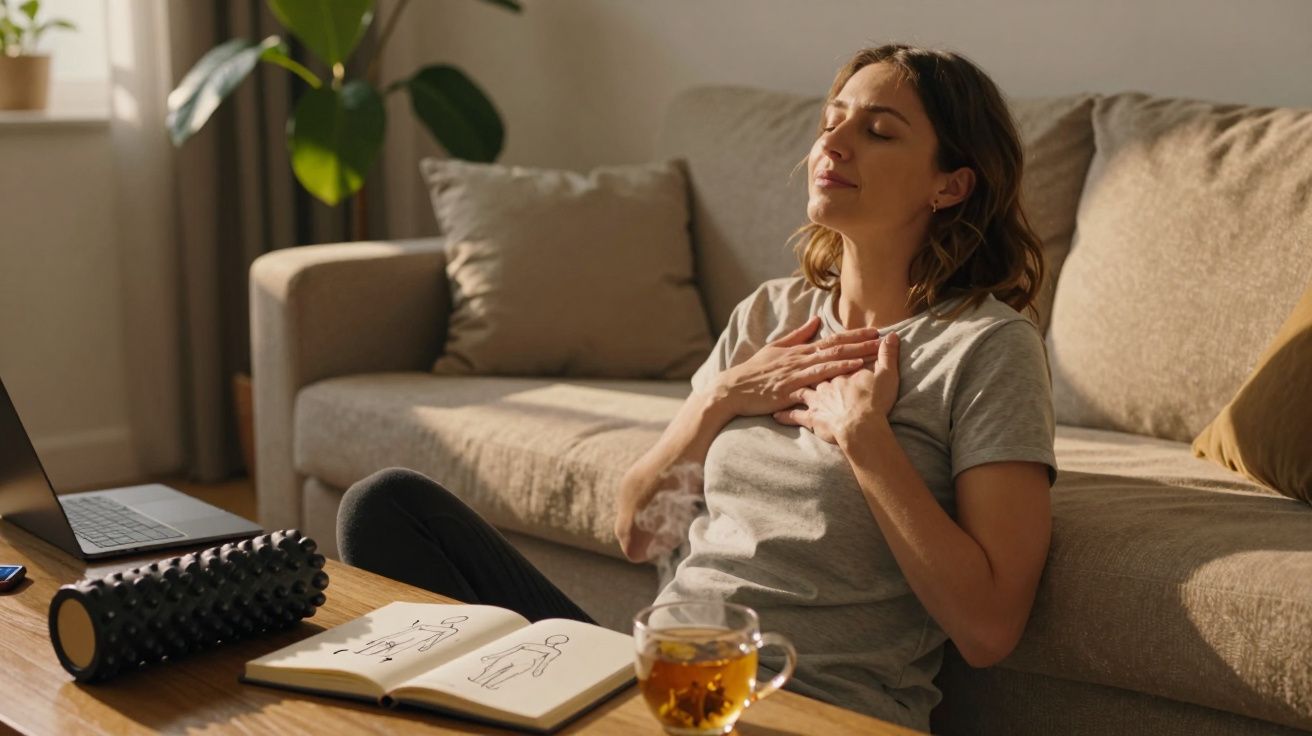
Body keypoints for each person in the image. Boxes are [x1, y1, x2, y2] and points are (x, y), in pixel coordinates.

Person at [337, 43, 1056, 733]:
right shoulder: (769, 316)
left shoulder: (985, 348)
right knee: (388, 509)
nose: (832, 146)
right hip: (655, 684)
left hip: (803, 711)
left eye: (878, 131)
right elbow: (641, 532)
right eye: (830, 121)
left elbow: (989, 628)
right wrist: (720, 399)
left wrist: (867, 442)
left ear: (951, 185)